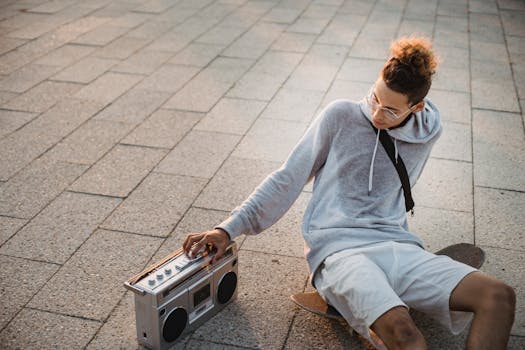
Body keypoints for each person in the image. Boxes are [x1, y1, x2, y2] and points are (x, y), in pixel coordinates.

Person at [182, 37, 515, 350]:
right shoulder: (339, 116)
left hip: (397, 245)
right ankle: (369, 311)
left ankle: (373, 310)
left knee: (499, 296)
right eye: (375, 97)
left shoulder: (428, 130)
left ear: (417, 108)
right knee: (405, 335)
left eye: (391, 110)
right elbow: (287, 178)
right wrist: (228, 228)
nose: (376, 114)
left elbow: (428, 115)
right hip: (340, 251)